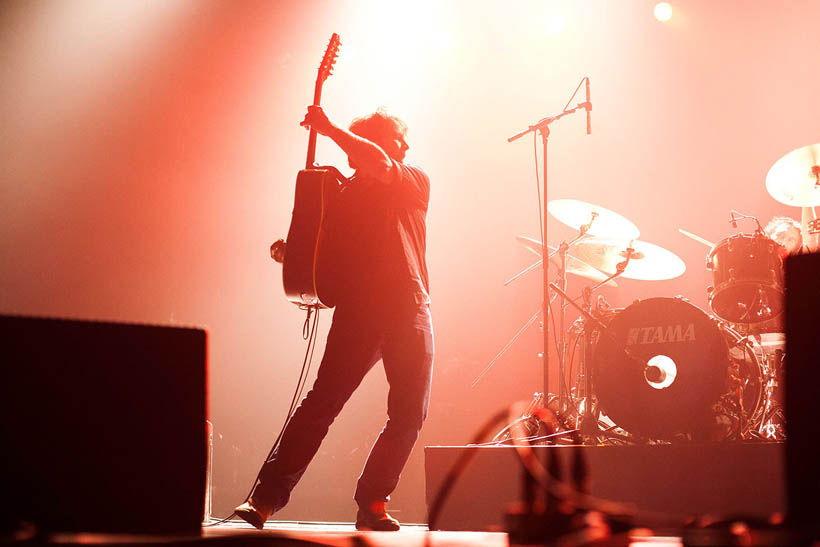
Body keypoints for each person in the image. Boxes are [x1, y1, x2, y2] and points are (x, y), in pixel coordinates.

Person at [235, 106, 434, 531]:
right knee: (322, 404)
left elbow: (380, 164)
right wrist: (293, 255)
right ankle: (264, 499)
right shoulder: (340, 196)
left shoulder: (412, 179)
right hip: (360, 310)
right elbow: (325, 254)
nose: (407, 146)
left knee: (408, 413)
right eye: (400, 139)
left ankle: (373, 502)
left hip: (408, 306)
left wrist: (327, 129)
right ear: (380, 140)